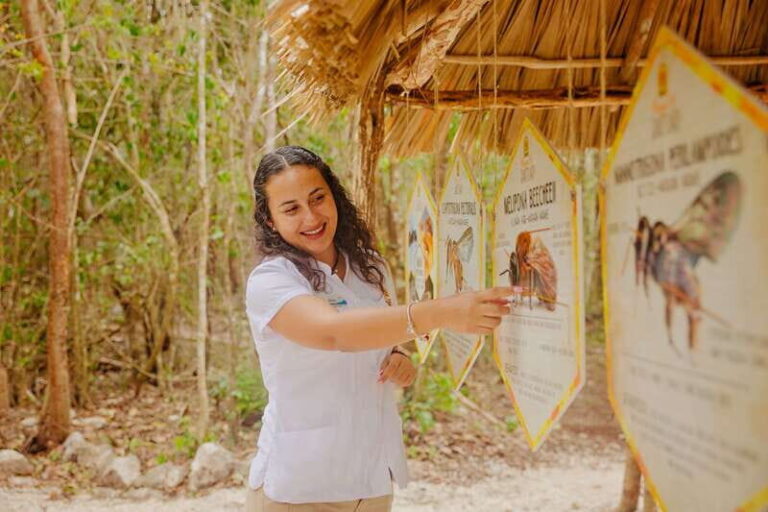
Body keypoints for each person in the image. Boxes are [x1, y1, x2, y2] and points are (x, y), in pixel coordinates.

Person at [244, 146, 512, 511]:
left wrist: (398, 356)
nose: (311, 216)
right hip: (300, 488)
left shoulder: (370, 268)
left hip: (372, 482)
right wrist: (441, 313)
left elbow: (380, 334)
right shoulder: (270, 280)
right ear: (271, 220)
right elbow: (333, 332)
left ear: (334, 196)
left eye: (318, 198)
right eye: (291, 209)